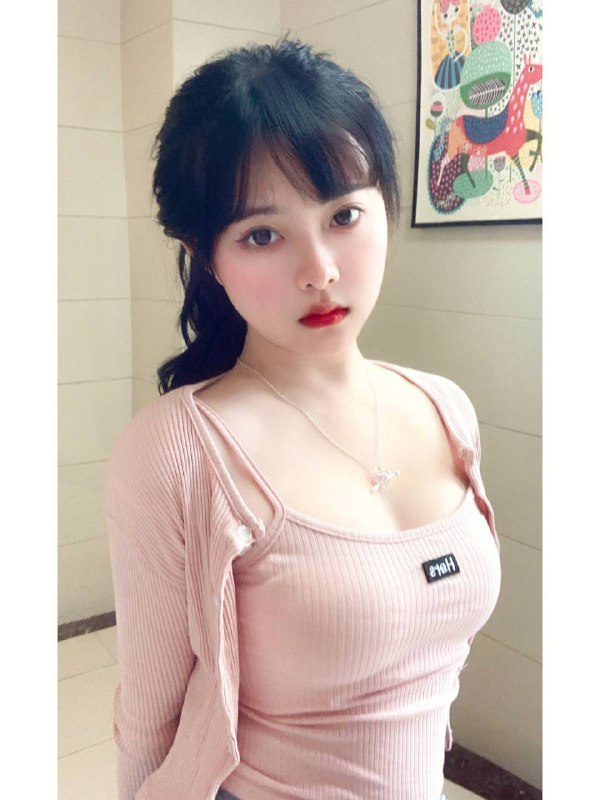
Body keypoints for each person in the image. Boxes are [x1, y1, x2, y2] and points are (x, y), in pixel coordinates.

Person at [105, 37, 501, 800]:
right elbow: (147, 718)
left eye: (344, 215)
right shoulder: (175, 450)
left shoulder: (445, 407)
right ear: (206, 255)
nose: (319, 269)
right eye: (262, 234)